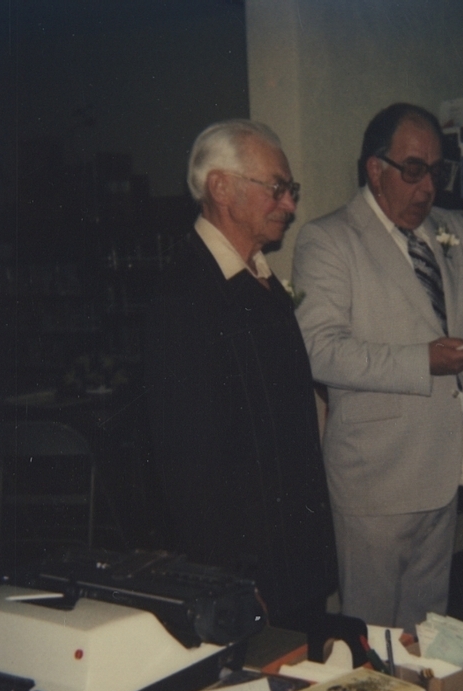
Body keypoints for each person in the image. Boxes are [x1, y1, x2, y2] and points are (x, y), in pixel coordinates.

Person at [292, 103, 463, 633]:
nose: (428, 186)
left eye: (437, 171)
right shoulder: (329, 240)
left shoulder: (451, 229)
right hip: (375, 479)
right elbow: (319, 350)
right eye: (414, 170)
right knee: (369, 633)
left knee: (425, 629)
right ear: (375, 169)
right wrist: (424, 361)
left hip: (443, 466)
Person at [144, 119, 337, 629]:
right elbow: (186, 469)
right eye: (277, 189)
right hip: (249, 575)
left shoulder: (259, 281)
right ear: (221, 188)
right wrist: (232, 580)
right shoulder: (184, 295)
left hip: (292, 559)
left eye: (290, 191)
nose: (290, 205)